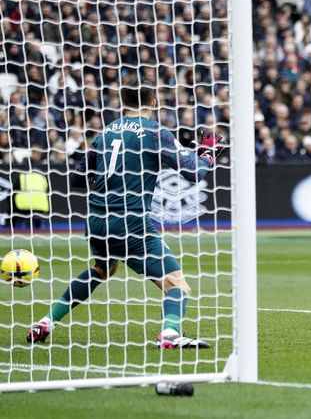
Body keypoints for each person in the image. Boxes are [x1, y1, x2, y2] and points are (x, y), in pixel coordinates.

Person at [27, 80, 222, 349]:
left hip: (95, 220)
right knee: (177, 284)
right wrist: (207, 155)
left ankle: (47, 321)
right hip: (131, 222)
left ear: (123, 102)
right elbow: (193, 172)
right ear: (154, 102)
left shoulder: (105, 133)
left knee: (102, 269)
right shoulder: (155, 132)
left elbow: (78, 177)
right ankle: (170, 334)